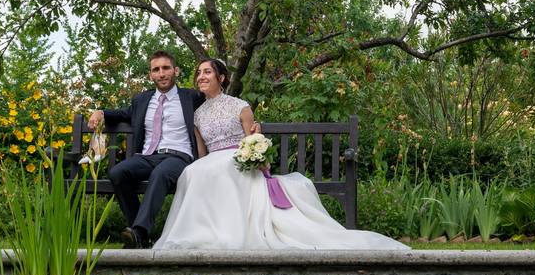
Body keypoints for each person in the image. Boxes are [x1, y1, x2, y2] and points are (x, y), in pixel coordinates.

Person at [153, 59, 408, 250]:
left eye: (207, 72)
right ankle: (203, 232)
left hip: (237, 159)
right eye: (198, 73)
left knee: (217, 169)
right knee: (195, 170)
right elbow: (201, 152)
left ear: (222, 77)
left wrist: (255, 153)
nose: (200, 76)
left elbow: (252, 139)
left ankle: (230, 235)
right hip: (212, 161)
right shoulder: (197, 114)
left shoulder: (240, 106)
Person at [87, 50, 204, 248]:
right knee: (118, 172)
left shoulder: (191, 97)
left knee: (160, 173)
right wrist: (99, 112)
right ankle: (139, 235)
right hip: (148, 156)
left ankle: (139, 231)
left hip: (178, 157)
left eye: (166, 68)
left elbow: (218, 103)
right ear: (150, 75)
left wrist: (252, 123)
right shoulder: (141, 100)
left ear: (175, 70)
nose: (161, 73)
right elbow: (121, 114)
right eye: (156, 70)